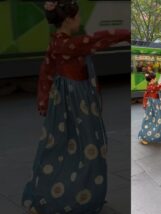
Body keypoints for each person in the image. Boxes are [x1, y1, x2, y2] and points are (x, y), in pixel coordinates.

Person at [21, 1, 130, 213]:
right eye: (78, 17)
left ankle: (75, 190)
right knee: (87, 146)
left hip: (66, 102)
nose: (80, 20)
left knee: (67, 146)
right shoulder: (67, 44)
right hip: (76, 102)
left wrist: (43, 101)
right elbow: (97, 40)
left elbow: (46, 73)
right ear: (69, 20)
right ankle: (77, 194)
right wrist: (125, 34)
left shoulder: (58, 43)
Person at [138, 72, 161, 145]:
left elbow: (145, 95)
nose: (156, 79)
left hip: (153, 105)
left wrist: (144, 104)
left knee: (151, 120)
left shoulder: (150, 86)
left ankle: (155, 136)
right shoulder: (152, 87)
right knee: (156, 120)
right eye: (155, 77)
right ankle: (145, 137)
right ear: (152, 79)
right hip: (154, 105)